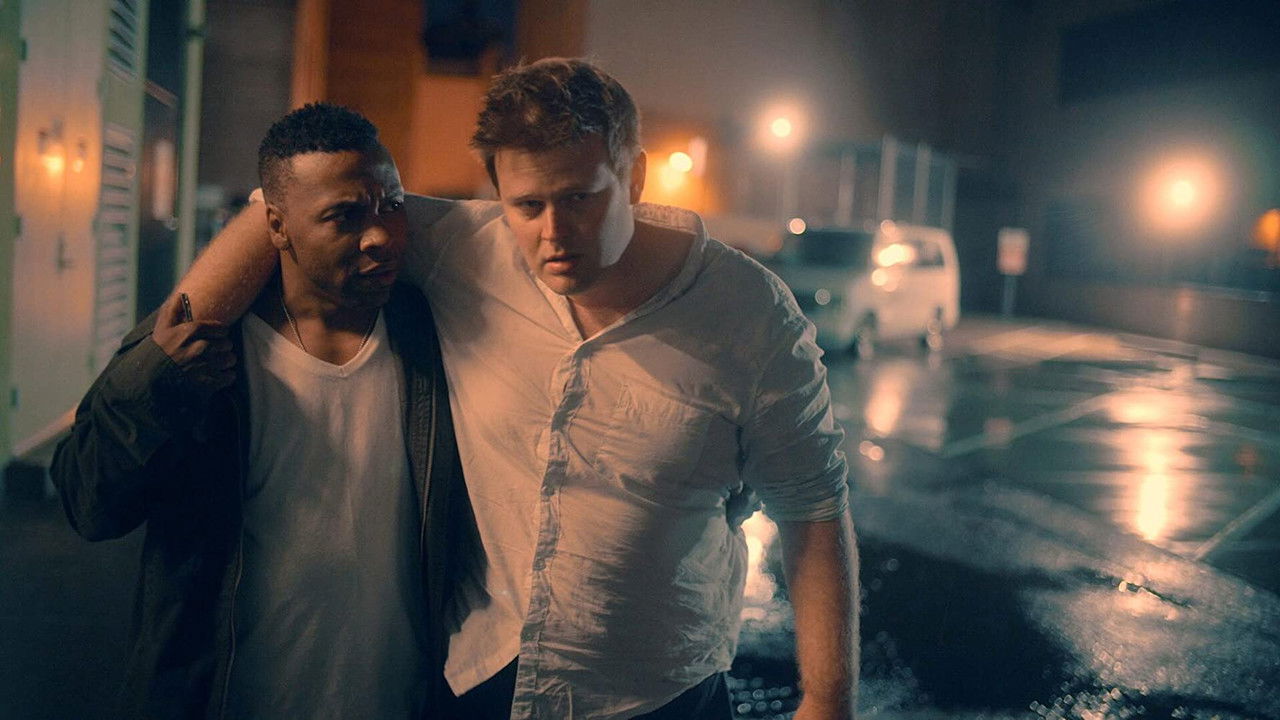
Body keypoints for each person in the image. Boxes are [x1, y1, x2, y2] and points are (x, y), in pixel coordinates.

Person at [177, 58, 859, 720]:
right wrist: (165, 350)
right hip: (485, 679)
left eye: (580, 198)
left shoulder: (748, 311)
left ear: (635, 176)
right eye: (527, 205)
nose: (554, 233)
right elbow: (284, 209)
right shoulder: (466, 250)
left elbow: (814, 507)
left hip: (657, 692)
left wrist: (828, 701)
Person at [50, 103, 477, 719]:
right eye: (344, 215)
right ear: (274, 225)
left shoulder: (428, 333)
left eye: (390, 205)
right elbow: (87, 502)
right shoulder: (205, 353)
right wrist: (158, 386)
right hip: (234, 697)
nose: (381, 234)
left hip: (397, 698)